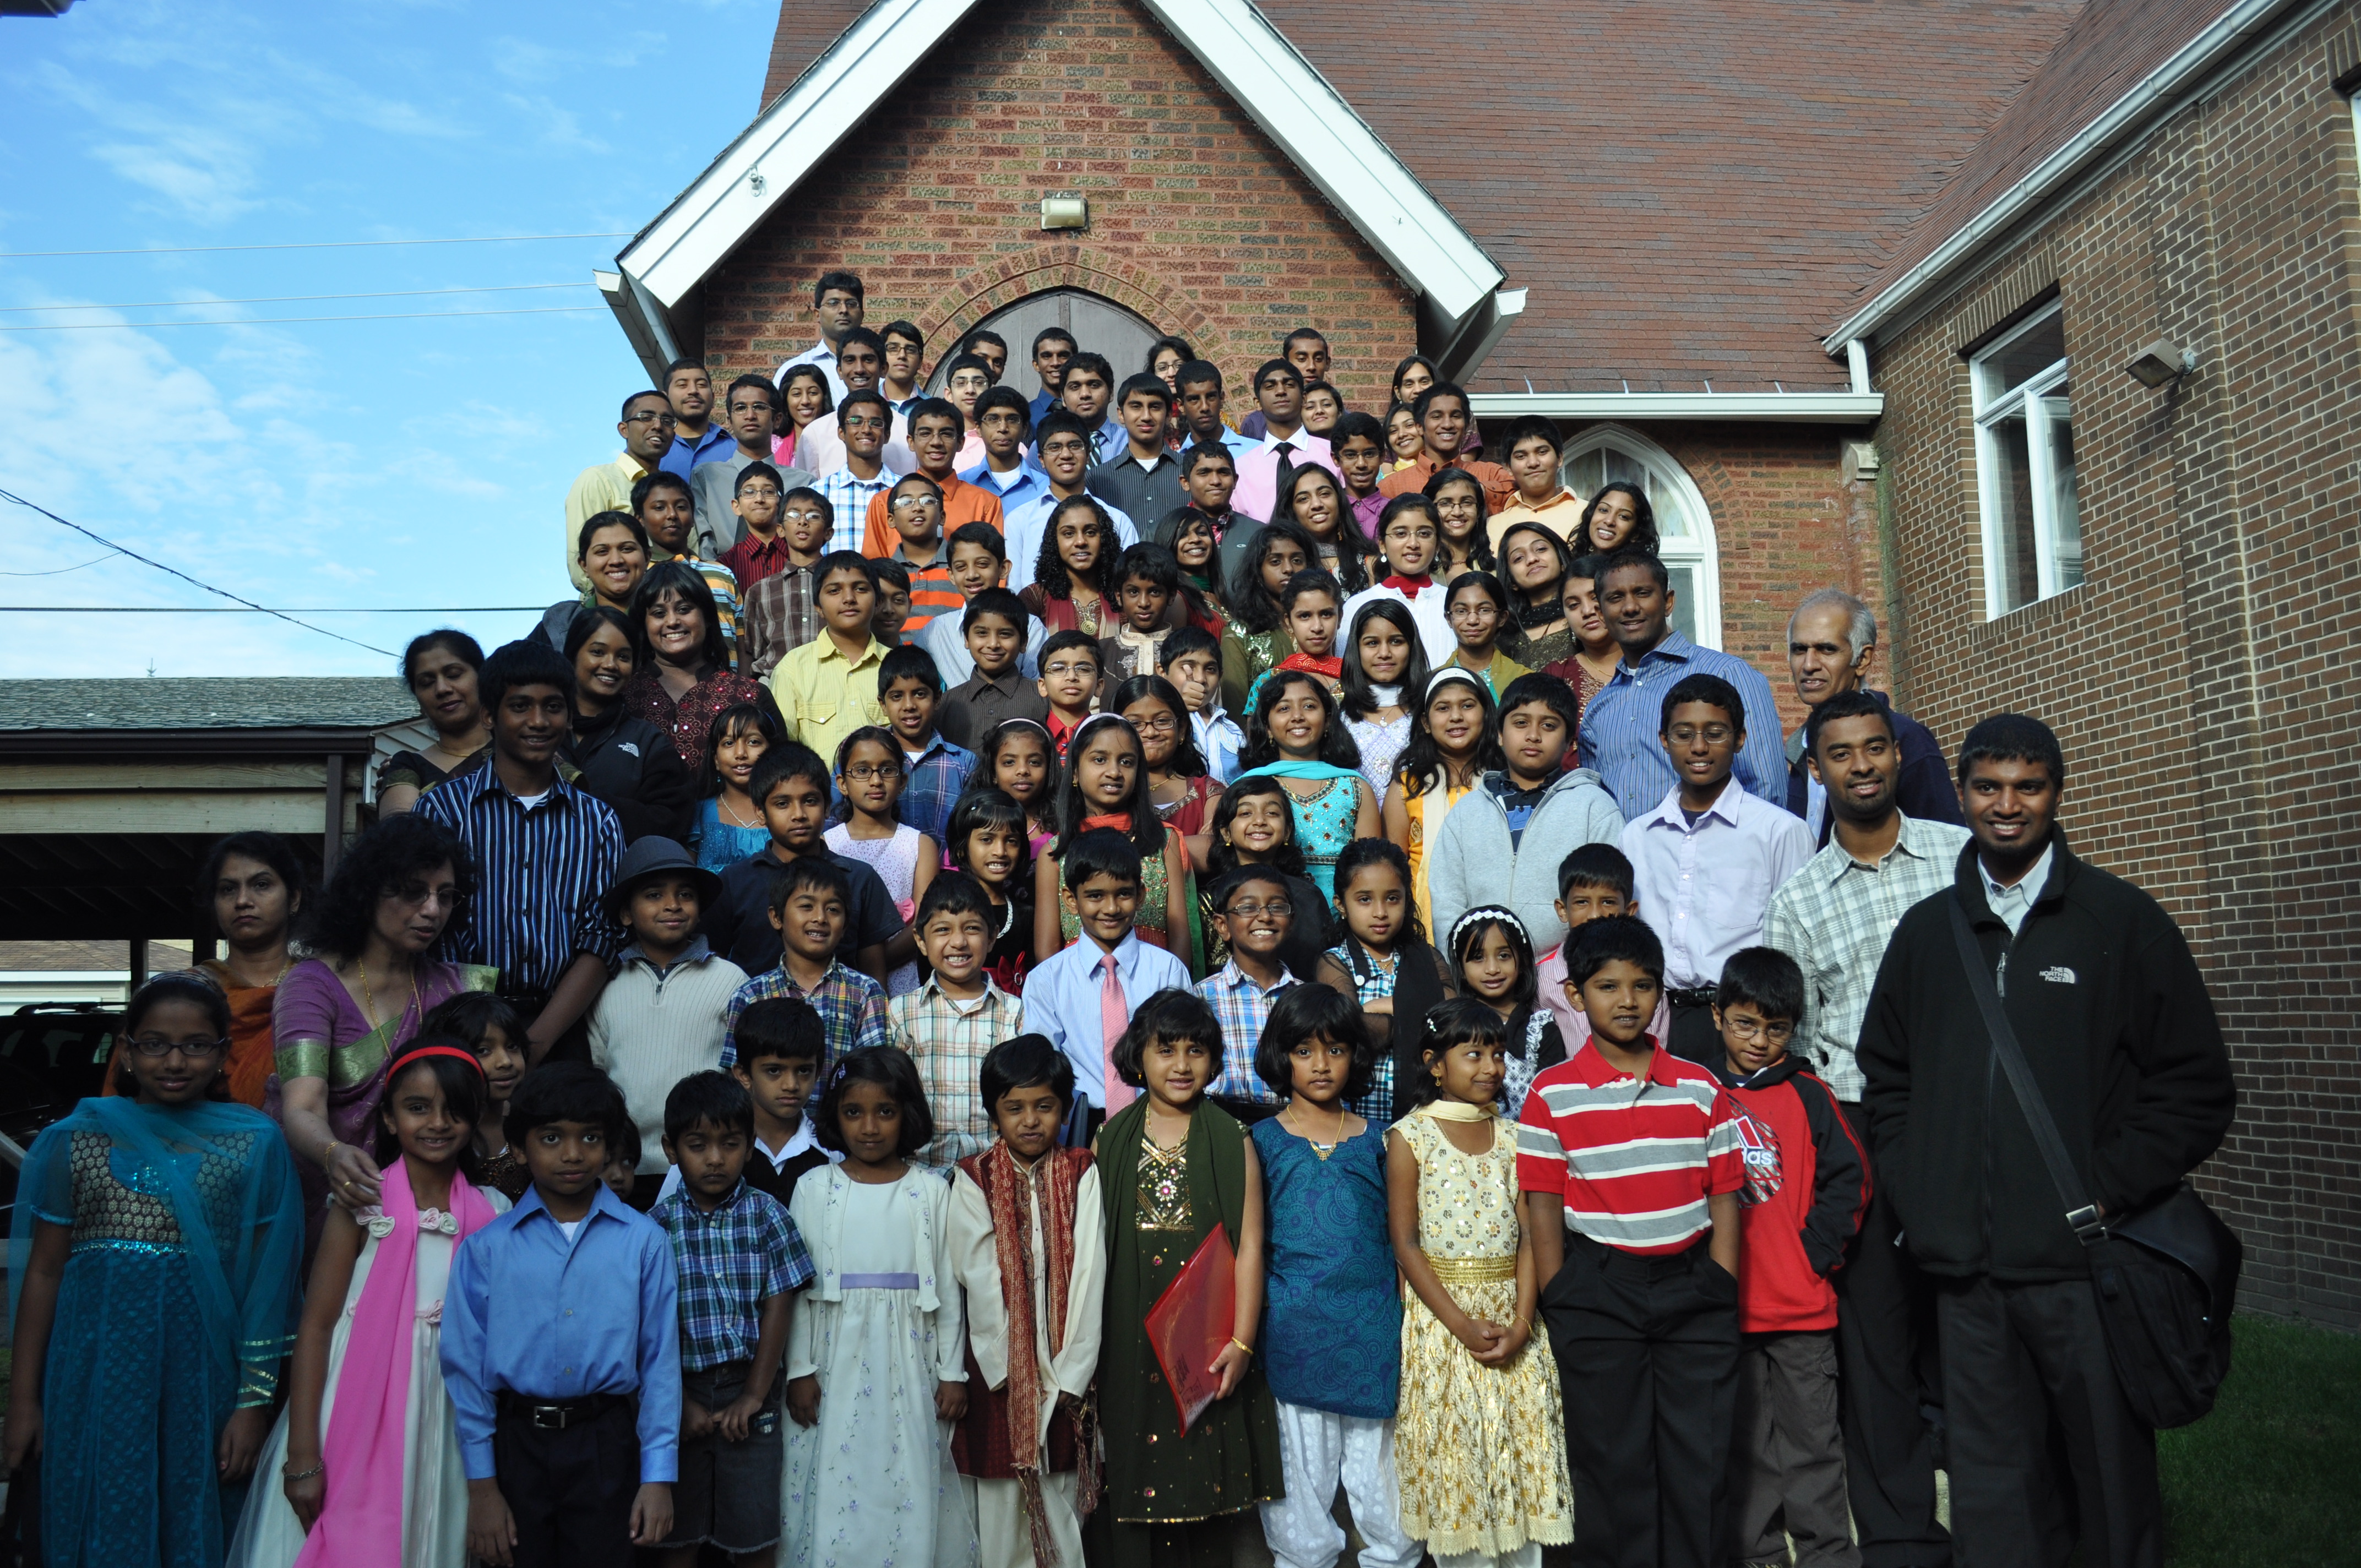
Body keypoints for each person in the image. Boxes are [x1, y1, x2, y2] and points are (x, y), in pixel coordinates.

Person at [1857, 715, 2235, 1568]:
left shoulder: (2121, 921)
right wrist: (1923, 1191)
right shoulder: (1927, 933)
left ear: (2057, 794)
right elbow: (1888, 1077)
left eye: (2028, 787)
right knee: (1995, 1495)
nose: (2008, 805)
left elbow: (2196, 1088)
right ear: (1961, 794)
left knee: (2109, 1485)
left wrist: (2107, 1186)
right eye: (1989, 787)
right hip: (1968, 1278)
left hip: (2084, 1268)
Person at [1760, 688, 1970, 1567]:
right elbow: (1797, 1046)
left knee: (1973, 1325)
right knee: (1877, 1338)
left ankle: (2004, 1518)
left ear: (1898, 753)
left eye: (1875, 747)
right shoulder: (1800, 899)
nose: (1862, 766)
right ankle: (1901, 1539)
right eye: (1841, 753)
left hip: (1967, 1119)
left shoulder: (1962, 859)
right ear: (1816, 770)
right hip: (1860, 1123)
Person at [5, 972, 301, 1566]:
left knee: (192, 1512)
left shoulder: (255, 1144)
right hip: (91, 1377)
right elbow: (44, 1273)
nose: (175, 1061)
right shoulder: (76, 1141)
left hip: (203, 1380)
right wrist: (24, 1401)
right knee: (98, 1507)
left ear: (224, 1052)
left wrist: (253, 1404)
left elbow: (267, 1287)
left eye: (196, 1045)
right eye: (155, 1044)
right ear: (126, 1049)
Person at [227, 1041, 510, 1568]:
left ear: (476, 1117)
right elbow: (317, 1327)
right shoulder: (361, 1203)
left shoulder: (493, 1214)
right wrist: (303, 1455)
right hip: (350, 1403)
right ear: (389, 1117)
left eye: (455, 1110)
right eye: (418, 1107)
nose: (437, 1123)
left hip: (449, 1412)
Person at [1520, 916, 1744, 1568]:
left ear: (1660, 994)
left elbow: (1725, 1194)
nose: (1626, 1000)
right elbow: (1543, 1204)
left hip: (1694, 1292)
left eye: (1642, 986)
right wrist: (1563, 1292)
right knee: (1612, 1462)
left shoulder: (1700, 1086)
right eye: (1607, 986)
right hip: (1597, 1295)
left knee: (1701, 1460)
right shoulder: (1551, 1094)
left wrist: (1720, 1281)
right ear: (1574, 993)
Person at [440, 1062, 681, 1567]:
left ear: (609, 1146)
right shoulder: (487, 1249)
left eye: (590, 1137)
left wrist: (658, 1477)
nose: (573, 1154)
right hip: (516, 1445)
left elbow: (660, 1364)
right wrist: (483, 1488)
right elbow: (465, 1370)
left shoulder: (644, 1242)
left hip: (606, 1442)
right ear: (520, 1148)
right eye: (551, 1138)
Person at [1092, 989, 1283, 1560]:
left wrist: (1241, 1343)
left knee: (1206, 1477)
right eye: (1166, 1049)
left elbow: (1250, 1247)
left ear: (1215, 1059)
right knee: (1134, 1464)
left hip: (1206, 1333)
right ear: (1138, 1056)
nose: (1181, 1065)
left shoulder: (1232, 1138)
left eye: (1196, 1051)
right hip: (1129, 1330)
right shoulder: (1110, 1140)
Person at [1388, 997, 1576, 1568]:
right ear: (1434, 1063)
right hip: (1445, 1323)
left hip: (1513, 1316)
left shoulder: (1516, 1136)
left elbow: (1529, 1237)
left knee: (1521, 1455)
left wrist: (1521, 1324)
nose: (1492, 1067)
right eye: (1474, 1054)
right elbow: (1407, 1244)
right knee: (1461, 1459)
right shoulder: (1410, 1137)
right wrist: (1461, 1325)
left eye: (1497, 1053)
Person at [1249, 981, 1423, 1568]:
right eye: (1304, 1050)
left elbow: (1403, 1241)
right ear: (1281, 1056)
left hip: (1373, 1328)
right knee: (1299, 1480)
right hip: (1293, 1330)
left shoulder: (1383, 1140)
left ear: (1356, 1055)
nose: (1321, 1064)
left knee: (1383, 1478)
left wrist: (1407, 1321)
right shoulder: (1260, 1141)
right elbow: (1251, 1245)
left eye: (1336, 1049)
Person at [1705, 947, 1869, 1568]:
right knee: (1746, 1448)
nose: (1759, 1041)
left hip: (1801, 1310)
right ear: (1717, 1016)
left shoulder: (1809, 1093)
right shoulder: (1695, 1094)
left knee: (1814, 1445)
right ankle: (1760, 1557)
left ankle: (1829, 1556)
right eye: (1745, 1024)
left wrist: (1813, 1255)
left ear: (1793, 1027)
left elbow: (1851, 1179)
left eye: (1775, 1028)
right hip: (1726, 1311)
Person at [781, 1048, 971, 1568]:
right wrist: (799, 1369)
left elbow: (948, 1289)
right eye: (853, 1112)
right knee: (836, 1474)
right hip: (832, 1362)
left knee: (903, 1474)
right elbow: (797, 1292)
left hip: (909, 1365)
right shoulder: (813, 1188)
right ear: (835, 1116)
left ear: (907, 1114)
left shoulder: (930, 1191)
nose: (869, 1127)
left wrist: (952, 1373)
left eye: (885, 1112)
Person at [269, 814, 493, 1249]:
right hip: (329, 1198)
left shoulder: (459, 988)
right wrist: (333, 1154)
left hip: (435, 1213)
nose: (432, 910)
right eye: (413, 892)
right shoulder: (311, 986)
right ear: (368, 891)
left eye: (446, 896)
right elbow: (302, 1106)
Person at [415, 639, 627, 1064]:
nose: (538, 721)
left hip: (561, 1027)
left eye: (553, 707)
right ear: (489, 716)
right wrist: (484, 1038)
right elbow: (432, 929)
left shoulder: (598, 822)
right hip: (460, 1023)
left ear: (569, 716)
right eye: (520, 706)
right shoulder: (442, 811)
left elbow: (602, 938)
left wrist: (536, 1045)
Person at [944, 1035, 1103, 1568]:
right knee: (999, 1508)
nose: (1031, 1120)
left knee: (1062, 1501)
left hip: (1067, 1370)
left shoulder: (1081, 1170)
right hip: (1001, 1374)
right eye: (1014, 1108)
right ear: (994, 1112)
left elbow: (1090, 1273)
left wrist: (1072, 1371)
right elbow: (978, 1278)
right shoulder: (973, 1177)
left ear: (1065, 1109)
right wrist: (1010, 1370)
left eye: (1045, 1106)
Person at [648, 1071, 813, 1568]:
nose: (716, 1159)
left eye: (730, 1144)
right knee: (677, 1535)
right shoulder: (655, 1228)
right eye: (698, 1146)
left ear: (750, 1145)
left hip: (751, 1389)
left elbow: (780, 1304)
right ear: (671, 1150)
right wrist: (677, 1402)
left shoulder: (768, 1215)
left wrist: (754, 1395)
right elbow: (648, 1327)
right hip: (681, 1393)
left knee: (755, 1534)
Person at [1621, 672, 1815, 1066]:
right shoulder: (1636, 837)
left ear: (1740, 739)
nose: (1698, 747)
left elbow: (1799, 949)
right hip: (1658, 1022)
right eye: (1683, 734)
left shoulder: (1779, 832)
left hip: (1744, 1026)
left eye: (1715, 733)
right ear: (1664, 741)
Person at [588, 837, 747, 1201]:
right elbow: (598, 1074)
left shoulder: (730, 980)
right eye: (654, 895)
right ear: (626, 913)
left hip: (705, 1162)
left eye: (685, 895)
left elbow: (741, 1076)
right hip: (625, 1168)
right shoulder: (607, 983)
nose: (673, 905)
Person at [1578, 550, 1788, 816]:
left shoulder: (1728, 674)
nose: (1630, 607)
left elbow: (1767, 790)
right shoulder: (1599, 708)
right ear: (1601, 612)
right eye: (1616, 598)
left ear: (1668, 602)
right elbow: (1598, 810)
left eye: (1642, 593)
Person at [1428, 673, 1622, 959]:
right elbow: (1448, 902)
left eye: (1549, 725)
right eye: (1520, 723)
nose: (1533, 735)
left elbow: (1608, 899)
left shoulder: (1594, 807)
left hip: (1566, 974)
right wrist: (1464, 965)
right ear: (1499, 734)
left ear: (1570, 741)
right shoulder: (1467, 812)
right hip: (1482, 972)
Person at [1024, 827, 1193, 1135]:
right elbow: (1043, 1063)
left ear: (1140, 896)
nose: (1111, 909)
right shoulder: (1047, 979)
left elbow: (1182, 1053)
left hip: (1158, 1120)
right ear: (1071, 900)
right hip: (1078, 1125)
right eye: (1095, 896)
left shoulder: (1167, 971)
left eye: (1123, 894)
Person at [705, 743, 900, 982]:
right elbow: (715, 969)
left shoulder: (859, 878)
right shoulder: (734, 882)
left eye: (810, 801)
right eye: (782, 804)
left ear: (827, 806)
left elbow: (873, 970)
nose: (798, 814)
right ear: (761, 812)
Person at [1782, 587, 1960, 839]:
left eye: (1827, 649)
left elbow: (1944, 842)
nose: (1809, 665)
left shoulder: (1907, 739)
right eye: (1800, 650)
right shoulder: (1802, 747)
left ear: (1863, 659)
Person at [1315, 838, 1453, 1131]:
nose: (1380, 912)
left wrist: (1384, 1007)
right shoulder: (1335, 962)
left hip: (1425, 1120)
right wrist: (1415, 1017)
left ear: (1407, 900)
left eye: (1392, 898)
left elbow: (1451, 1021)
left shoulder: (1427, 958)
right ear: (1341, 904)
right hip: (1360, 1122)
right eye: (1365, 899)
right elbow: (1348, 1031)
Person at [1035, 712, 1193, 966]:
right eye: (1100, 760)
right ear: (1074, 772)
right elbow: (1047, 952)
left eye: (1126, 762)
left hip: (1154, 981)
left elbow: (1180, 935)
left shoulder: (1164, 841)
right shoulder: (1055, 853)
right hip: (1080, 982)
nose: (1114, 772)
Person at [890, 872, 1026, 1165]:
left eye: (972, 928)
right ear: (921, 941)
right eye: (942, 930)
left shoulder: (1015, 1014)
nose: (959, 942)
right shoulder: (902, 1013)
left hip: (995, 1170)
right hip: (920, 1169)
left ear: (992, 937)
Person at [719, 853, 893, 1068]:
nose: (820, 918)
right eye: (806, 906)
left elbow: (873, 1074)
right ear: (776, 917)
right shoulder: (751, 996)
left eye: (833, 909)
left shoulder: (865, 992)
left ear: (845, 927)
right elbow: (738, 1076)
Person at [1237, 669, 1381, 901]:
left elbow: (1370, 868)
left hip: (1342, 910)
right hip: (1271, 908)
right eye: (1284, 708)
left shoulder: (1356, 787)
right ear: (1267, 726)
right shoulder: (1250, 787)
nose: (1297, 716)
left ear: (1328, 720)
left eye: (1309, 706)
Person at [566, 606, 695, 845]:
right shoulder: (541, 731)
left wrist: (589, 801)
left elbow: (670, 820)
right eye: (598, 652)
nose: (611, 664)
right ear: (572, 655)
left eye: (623, 657)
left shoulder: (648, 741)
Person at [197, 831, 307, 1108]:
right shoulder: (186, 993)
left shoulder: (318, 989)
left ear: (294, 898)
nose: (242, 900)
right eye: (228, 889)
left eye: (261, 885)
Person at [620, 563, 763, 773]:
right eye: (659, 613)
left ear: (707, 617)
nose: (672, 621)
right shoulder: (623, 693)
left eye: (684, 610)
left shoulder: (749, 694)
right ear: (644, 624)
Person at [826, 727, 934, 995]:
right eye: (862, 771)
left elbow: (925, 919)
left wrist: (871, 964)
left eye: (887, 770)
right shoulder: (827, 845)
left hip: (903, 980)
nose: (876, 780)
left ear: (902, 781)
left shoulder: (920, 845)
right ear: (842, 784)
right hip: (837, 980)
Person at [1532, 844, 1666, 1054]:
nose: (1595, 914)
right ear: (1563, 909)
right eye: (1582, 902)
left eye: (1608, 902)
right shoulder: (1541, 980)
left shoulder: (1645, 977)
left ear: (1629, 910)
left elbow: (1657, 1052)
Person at [1197, 865, 1304, 1124]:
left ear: (1291, 921)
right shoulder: (1201, 998)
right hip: (1223, 1123)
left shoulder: (1306, 999)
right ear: (1222, 925)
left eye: (1277, 907)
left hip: (1294, 1126)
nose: (1265, 917)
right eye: (1248, 908)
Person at [768, 551, 891, 772]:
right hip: (819, 792)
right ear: (818, 606)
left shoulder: (894, 665)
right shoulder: (793, 668)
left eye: (860, 589)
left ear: (878, 601)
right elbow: (782, 752)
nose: (849, 598)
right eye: (834, 590)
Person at [1447, 905, 1563, 1119]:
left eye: (1504, 956)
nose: (1493, 969)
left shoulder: (1539, 1030)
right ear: (1461, 968)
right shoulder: (1452, 1027)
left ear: (1523, 961)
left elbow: (1553, 1102)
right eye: (1478, 957)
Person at [858, 398, 1007, 563]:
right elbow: (874, 569)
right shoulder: (884, 503)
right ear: (911, 442)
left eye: (946, 434)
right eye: (925, 434)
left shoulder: (985, 504)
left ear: (960, 443)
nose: (936, 442)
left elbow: (993, 568)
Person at [1007, 413, 1139, 597]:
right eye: (1055, 447)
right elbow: (1013, 590)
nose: (1066, 455)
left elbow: (1131, 588)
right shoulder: (1019, 520)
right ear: (1041, 459)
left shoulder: (1117, 520)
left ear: (1088, 454)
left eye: (1075, 446)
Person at [726, 995, 839, 1206]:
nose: (791, 1085)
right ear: (744, 1075)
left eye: (804, 1070)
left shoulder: (834, 1150)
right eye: (774, 1071)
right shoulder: (713, 1147)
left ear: (818, 1072)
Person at [422, 992, 532, 1200]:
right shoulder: (440, 1134)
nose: (505, 1062)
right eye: (483, 1050)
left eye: (512, 1047)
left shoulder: (531, 1123)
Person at [633, 471, 745, 673]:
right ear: (640, 520)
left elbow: (741, 643)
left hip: (729, 685)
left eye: (681, 507)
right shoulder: (639, 577)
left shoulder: (721, 574)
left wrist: (743, 685)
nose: (672, 515)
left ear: (693, 518)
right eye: (659, 508)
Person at [691, 377, 815, 557]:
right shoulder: (707, 477)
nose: (750, 415)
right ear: (730, 420)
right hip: (719, 571)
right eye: (741, 408)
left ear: (777, 419)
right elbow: (703, 546)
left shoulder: (804, 483)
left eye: (759, 407)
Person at [565, 390, 673, 591]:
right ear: (624, 429)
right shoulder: (598, 480)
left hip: (668, 602)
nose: (658, 426)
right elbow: (580, 564)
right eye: (646, 417)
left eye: (667, 421)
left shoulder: (673, 491)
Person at [922, 522, 1049, 689]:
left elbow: (1038, 690)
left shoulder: (1031, 627)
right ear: (951, 575)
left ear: (1003, 569)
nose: (972, 575)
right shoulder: (935, 632)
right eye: (961, 567)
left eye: (982, 564)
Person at [378, 631, 492, 815]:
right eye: (426, 683)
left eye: (454, 675)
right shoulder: (407, 767)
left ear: (483, 678)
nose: (442, 689)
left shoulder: (521, 752)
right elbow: (400, 828)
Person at [878, 641, 978, 845]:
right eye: (897, 696)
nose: (909, 706)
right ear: (883, 705)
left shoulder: (964, 764)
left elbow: (974, 831)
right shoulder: (864, 758)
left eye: (920, 694)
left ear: (938, 698)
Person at [942, 789, 1038, 997]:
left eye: (1011, 841)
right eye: (987, 840)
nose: (1000, 851)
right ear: (961, 848)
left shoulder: (1027, 916)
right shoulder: (944, 910)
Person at [1341, 494, 1456, 667]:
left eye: (1424, 534)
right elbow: (1347, 671)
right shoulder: (1358, 605)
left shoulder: (1454, 603)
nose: (1413, 543)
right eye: (1401, 534)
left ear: (1438, 544)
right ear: (1382, 545)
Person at [936, 586, 1052, 752]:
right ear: (967, 639)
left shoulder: (1043, 700)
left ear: (1023, 642)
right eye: (982, 633)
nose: (993, 644)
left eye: (1005, 634)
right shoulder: (946, 704)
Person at [1218, 517, 1314, 716]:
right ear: (1258, 570)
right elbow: (1235, 708)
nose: (1288, 569)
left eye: (1297, 560)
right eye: (1275, 561)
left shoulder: (1323, 624)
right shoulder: (1238, 633)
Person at [737, 487, 835, 678]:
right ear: (780, 530)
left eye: (814, 516)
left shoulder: (838, 585)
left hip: (830, 680)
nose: (803, 521)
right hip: (776, 683)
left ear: (828, 533)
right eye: (793, 515)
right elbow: (750, 651)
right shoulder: (761, 590)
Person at [1232, 358, 1342, 524]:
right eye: (1270, 386)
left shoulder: (1333, 455)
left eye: (1289, 384)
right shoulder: (1240, 468)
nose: (1281, 391)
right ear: (1258, 403)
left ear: (1304, 399)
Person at [1378, 383, 1515, 514]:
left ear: (1467, 425)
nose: (1447, 425)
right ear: (1420, 427)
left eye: (1456, 416)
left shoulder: (1491, 474)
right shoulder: (1391, 487)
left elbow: (1521, 493)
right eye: (1437, 417)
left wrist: (1480, 490)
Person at [866, 472, 962, 639]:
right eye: (906, 502)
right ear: (891, 520)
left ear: (942, 517)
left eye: (928, 501)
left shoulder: (961, 568)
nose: (917, 508)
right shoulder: (881, 576)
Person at [810, 384, 906, 547]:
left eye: (876, 423)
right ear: (841, 432)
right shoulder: (817, 495)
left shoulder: (905, 494)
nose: (866, 429)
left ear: (887, 435)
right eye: (856, 421)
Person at [1088, 372, 1190, 522]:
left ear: (1168, 415)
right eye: (1136, 407)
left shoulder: (1191, 471)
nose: (1146, 416)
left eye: (1155, 407)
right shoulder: (1098, 479)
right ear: (1121, 414)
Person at [689, 701, 778, 873]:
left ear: (773, 751)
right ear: (716, 759)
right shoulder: (698, 813)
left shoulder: (788, 810)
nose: (740, 754)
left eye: (753, 742)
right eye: (729, 743)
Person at [1242, 568, 1346, 715]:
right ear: (1289, 622)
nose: (1317, 627)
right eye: (1305, 616)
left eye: (1326, 614)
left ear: (1340, 618)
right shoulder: (1267, 683)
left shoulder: (1356, 680)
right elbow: (1256, 730)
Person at [547, 512, 651, 652]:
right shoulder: (560, 624)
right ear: (584, 565)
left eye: (627, 549)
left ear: (647, 558)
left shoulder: (668, 620)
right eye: (602, 551)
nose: (616, 561)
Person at [1540, 552, 1622, 726]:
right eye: (1574, 605)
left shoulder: (1656, 665)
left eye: (1595, 597)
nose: (1587, 611)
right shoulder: (1555, 676)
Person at [1096, 540, 1185, 687]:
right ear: (1119, 597)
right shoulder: (1101, 652)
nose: (1144, 603)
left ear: (1171, 596)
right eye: (1133, 592)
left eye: (1154, 592)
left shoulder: (1187, 651)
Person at [1163, 624, 1243, 784]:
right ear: (1162, 672)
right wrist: (1177, 707)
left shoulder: (1232, 731)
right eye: (1188, 667)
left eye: (1210, 669)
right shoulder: (1158, 723)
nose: (1200, 679)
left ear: (1220, 676)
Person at [1486, 417, 1581, 548]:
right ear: (1508, 467)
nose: (1533, 463)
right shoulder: (1492, 526)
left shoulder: (1588, 515)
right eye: (1521, 456)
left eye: (1542, 452)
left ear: (1560, 458)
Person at [773, 269, 865, 401]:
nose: (844, 310)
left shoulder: (879, 368)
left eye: (851, 304)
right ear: (817, 315)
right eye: (834, 303)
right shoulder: (794, 368)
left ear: (862, 315)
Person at [1495, 522, 1576, 673]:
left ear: (1561, 560)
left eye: (1541, 549)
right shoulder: (1506, 638)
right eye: (1518, 558)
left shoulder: (1587, 613)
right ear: (1512, 581)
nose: (1532, 559)